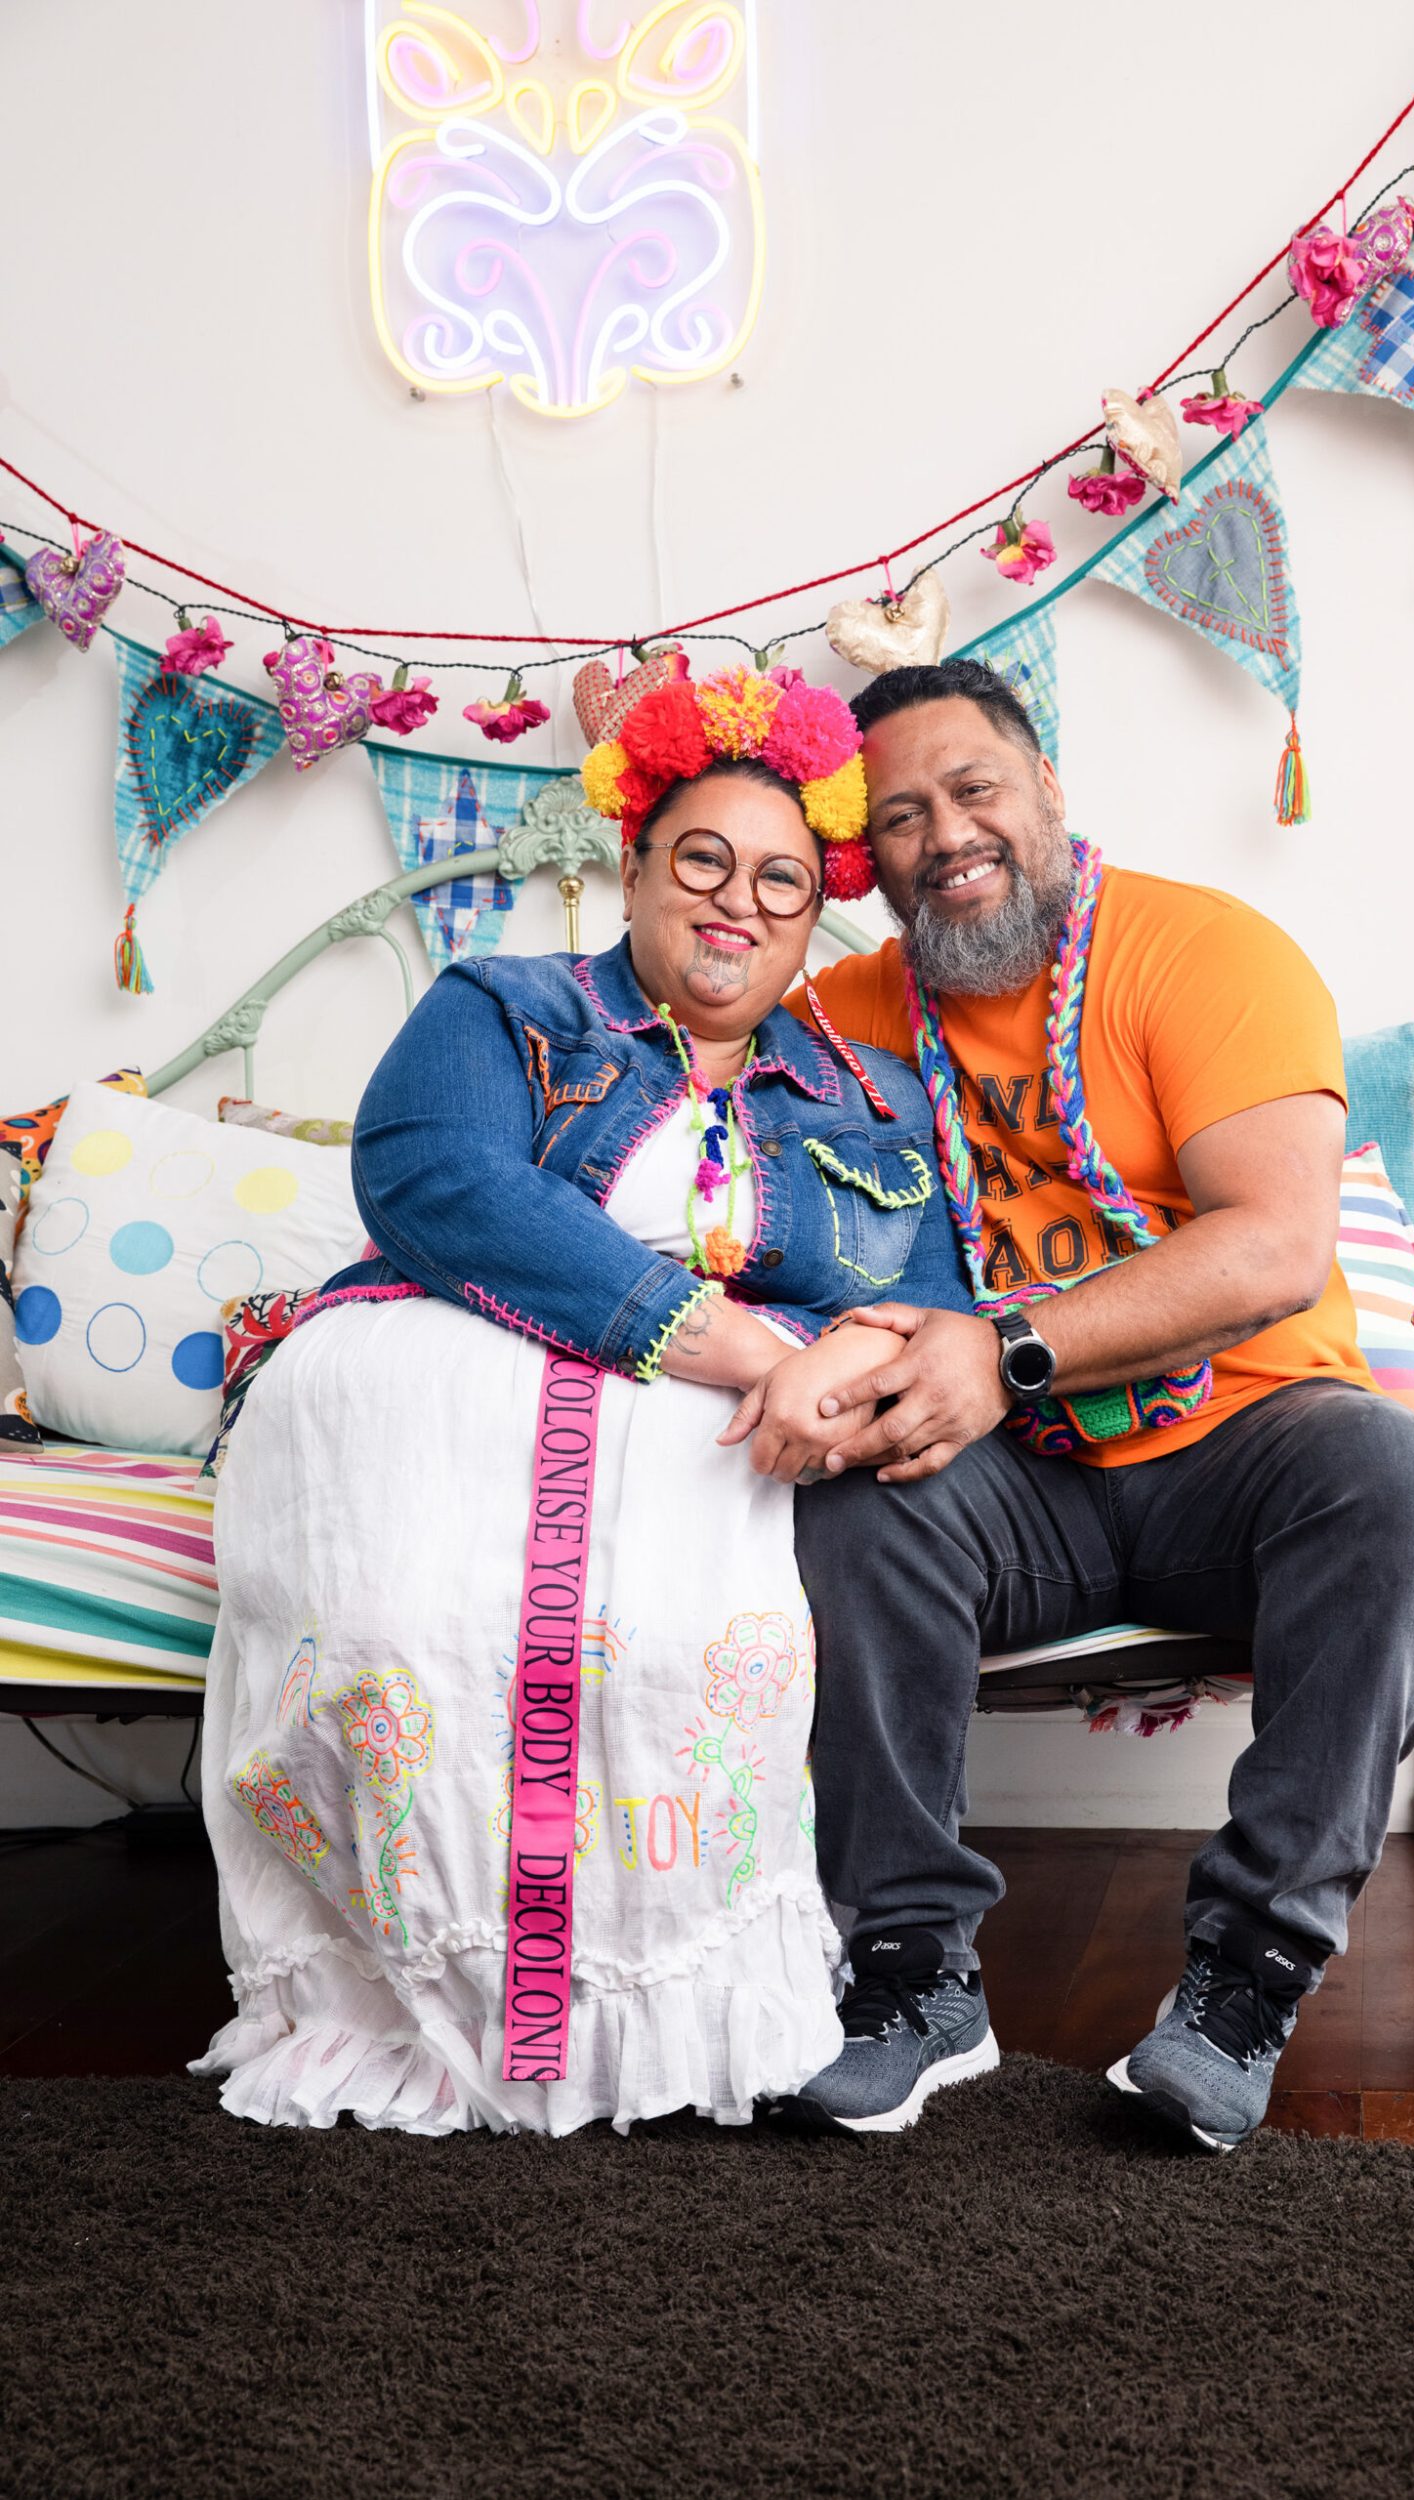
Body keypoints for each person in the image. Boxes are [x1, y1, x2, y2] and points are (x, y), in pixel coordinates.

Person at [192, 663, 973, 2138]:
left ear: (816, 923)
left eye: (784, 884)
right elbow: (433, 1182)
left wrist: (833, 1373)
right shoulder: (503, 1004)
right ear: (631, 869)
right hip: (449, 1392)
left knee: (698, 1649)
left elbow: (925, 1306)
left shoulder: (874, 1100)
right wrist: (743, 1345)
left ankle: (648, 2024)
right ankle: (424, 2008)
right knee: (402, 1634)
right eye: (703, 862)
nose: (738, 903)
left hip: (722, 1451)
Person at [729, 657, 1414, 2151]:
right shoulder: (841, 1016)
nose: (944, 836)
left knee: (1392, 1475)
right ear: (861, 862)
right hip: (1021, 1487)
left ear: (1050, 791)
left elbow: (1272, 1248)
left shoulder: (1205, 952)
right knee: (854, 1510)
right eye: (900, 819)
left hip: (1244, 1444)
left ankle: (1247, 1979)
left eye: (974, 789)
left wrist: (996, 1351)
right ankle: (911, 1975)